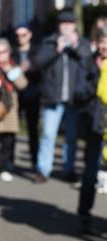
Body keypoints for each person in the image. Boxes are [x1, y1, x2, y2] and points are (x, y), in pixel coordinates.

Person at [32, 11, 91, 183]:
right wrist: (55, 50)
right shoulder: (48, 42)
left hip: (73, 98)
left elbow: (88, 60)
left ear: (74, 26)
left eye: (70, 23)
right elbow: (38, 62)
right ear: (58, 25)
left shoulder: (82, 43)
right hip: (53, 98)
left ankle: (68, 169)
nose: (66, 26)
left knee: (71, 137)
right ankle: (43, 170)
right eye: (63, 23)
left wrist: (75, 46)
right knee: (48, 135)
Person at [75, 27, 107, 234]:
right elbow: (79, 91)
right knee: (90, 173)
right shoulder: (88, 63)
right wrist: (98, 78)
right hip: (94, 125)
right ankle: (84, 215)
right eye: (103, 42)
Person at [0, 39, 28, 182]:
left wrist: (9, 71)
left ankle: (4, 167)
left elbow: (22, 85)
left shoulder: (13, 67)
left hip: (10, 110)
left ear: (8, 52)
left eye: (3, 52)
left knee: (8, 142)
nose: (0, 55)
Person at [12, 24, 41, 171]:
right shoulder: (12, 52)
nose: (20, 38)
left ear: (29, 35)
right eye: (17, 35)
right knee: (12, 129)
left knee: (32, 130)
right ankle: (9, 161)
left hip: (32, 95)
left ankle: (35, 162)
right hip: (15, 96)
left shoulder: (37, 52)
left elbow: (41, 71)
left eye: (23, 35)